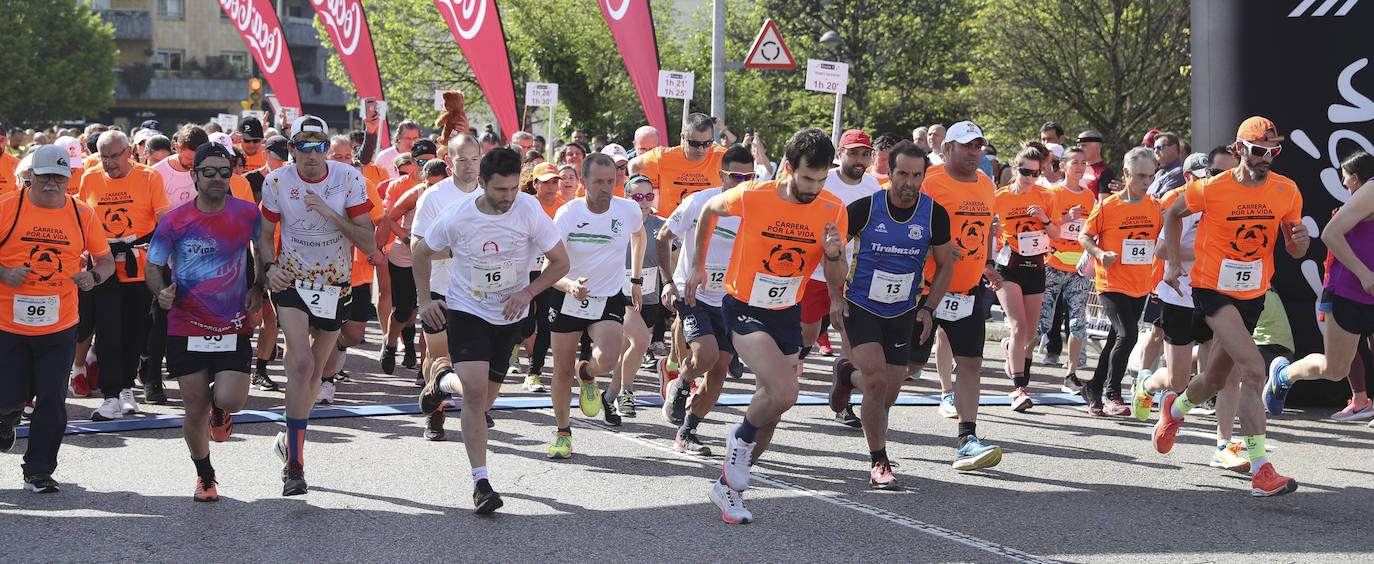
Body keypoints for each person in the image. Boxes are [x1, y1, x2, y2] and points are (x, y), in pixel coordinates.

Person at [685, 127, 848, 524]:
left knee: (773, 410)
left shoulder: (833, 208)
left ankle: (729, 487)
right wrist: (696, 265)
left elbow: (836, 269)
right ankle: (739, 438)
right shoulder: (754, 194)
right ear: (788, 168)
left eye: (822, 179)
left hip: (786, 311)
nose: (814, 187)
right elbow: (709, 211)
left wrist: (833, 254)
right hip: (743, 306)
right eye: (808, 178)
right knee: (785, 390)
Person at [1154, 116, 1309, 497]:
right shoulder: (1211, 189)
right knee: (1254, 371)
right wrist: (1173, 263)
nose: (1266, 158)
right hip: (1212, 290)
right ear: (1239, 149)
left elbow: (1294, 247)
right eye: (1259, 151)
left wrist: (1300, 242)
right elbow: (1172, 214)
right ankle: (1261, 469)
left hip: (1253, 292)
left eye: (1274, 151)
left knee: (1214, 379)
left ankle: (1173, 411)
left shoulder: (1287, 191)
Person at [415, 147, 570, 514]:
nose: (508, 197)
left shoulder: (528, 209)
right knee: (474, 392)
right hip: (468, 310)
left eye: (515, 188)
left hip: (509, 315)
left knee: (484, 399)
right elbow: (421, 252)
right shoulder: (457, 216)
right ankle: (480, 483)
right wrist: (424, 301)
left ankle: (440, 382)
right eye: (501, 190)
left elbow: (561, 262)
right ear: (481, 183)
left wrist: (528, 291)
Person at [259, 115, 376, 496]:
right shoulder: (277, 181)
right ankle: (295, 465)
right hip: (291, 280)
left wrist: (330, 213)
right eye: (304, 146)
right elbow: (263, 236)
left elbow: (369, 243)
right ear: (290, 149)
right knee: (303, 362)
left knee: (315, 374)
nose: (313, 154)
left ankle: (288, 441)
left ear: (328, 147)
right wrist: (269, 268)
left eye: (319, 145)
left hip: (334, 284)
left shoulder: (349, 179)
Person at [828, 140, 953, 488]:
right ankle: (878, 461)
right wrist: (836, 298)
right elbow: (833, 253)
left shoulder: (934, 214)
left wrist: (929, 308)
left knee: (889, 392)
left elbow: (945, 266)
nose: (909, 183)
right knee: (878, 380)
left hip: (904, 310)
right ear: (888, 172)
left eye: (916, 175)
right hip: (863, 305)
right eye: (902, 174)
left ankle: (845, 377)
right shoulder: (865, 208)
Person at [145, 143, 263, 501]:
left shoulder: (247, 214)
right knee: (193, 409)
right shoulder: (174, 220)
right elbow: (153, 266)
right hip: (186, 324)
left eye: (224, 172)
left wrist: (259, 285)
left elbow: (266, 252)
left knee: (232, 399)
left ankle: (220, 409)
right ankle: (205, 476)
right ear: (193, 175)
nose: (217, 178)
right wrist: (161, 291)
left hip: (232, 323)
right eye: (208, 171)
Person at [0, 145, 114, 493]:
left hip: (60, 325)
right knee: (8, 396)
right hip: (7, 325)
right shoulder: (8, 208)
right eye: (46, 175)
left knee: (52, 397)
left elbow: (106, 261)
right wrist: (4, 273)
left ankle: (39, 470)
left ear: (69, 178)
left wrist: (93, 278)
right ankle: (7, 419)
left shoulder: (82, 214)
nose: (52, 182)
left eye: (60, 176)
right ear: (30, 175)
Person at [905, 121, 1005, 471]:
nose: (974, 152)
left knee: (971, 363)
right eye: (966, 146)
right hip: (925, 291)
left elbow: (987, 230)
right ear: (947, 149)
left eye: (979, 146)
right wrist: (937, 247)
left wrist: (989, 263)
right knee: (909, 367)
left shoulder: (987, 184)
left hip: (968, 291)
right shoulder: (928, 181)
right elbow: (905, 226)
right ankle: (856, 383)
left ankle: (967, 439)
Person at [546, 153, 646, 455]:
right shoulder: (566, 214)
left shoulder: (627, 209)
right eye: (598, 182)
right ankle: (563, 432)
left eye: (611, 181)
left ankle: (587, 373)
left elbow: (638, 235)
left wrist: (636, 278)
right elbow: (548, 266)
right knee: (561, 371)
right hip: (567, 296)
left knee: (608, 360)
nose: (606, 187)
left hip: (607, 297)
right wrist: (569, 285)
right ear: (583, 181)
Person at [659, 145, 756, 454]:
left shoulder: (755, 209)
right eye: (734, 176)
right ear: (721, 175)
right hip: (693, 294)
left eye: (748, 176)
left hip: (730, 299)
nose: (740, 183)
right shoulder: (700, 202)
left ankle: (687, 431)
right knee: (707, 356)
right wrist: (668, 282)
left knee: (718, 372)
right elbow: (663, 236)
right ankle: (682, 382)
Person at [1265, 151, 1374, 423]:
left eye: (1345, 177)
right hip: (1350, 291)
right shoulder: (1372, 187)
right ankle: (1283, 375)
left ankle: (1362, 402)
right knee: (1335, 369)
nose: (1345, 183)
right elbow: (1329, 234)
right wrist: (1365, 274)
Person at [78, 131, 170, 420]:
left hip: (138, 265)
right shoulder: (89, 178)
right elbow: (81, 220)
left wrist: (161, 251)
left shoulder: (149, 177)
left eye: (115, 156)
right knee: (107, 332)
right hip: (102, 267)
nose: (109, 163)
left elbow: (164, 221)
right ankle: (109, 395)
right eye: (103, 157)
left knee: (134, 331)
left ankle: (126, 389)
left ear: (128, 152)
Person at [803, 130, 882, 426]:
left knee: (853, 341)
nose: (860, 160)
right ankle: (777, 389)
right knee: (806, 337)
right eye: (853, 153)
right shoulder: (824, 181)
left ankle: (843, 403)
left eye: (865, 154)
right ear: (840, 153)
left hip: (855, 276)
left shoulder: (874, 186)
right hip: (815, 272)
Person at [1078, 147, 1163, 416]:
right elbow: (1084, 236)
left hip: (1140, 284)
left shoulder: (1155, 207)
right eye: (1140, 176)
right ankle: (1113, 393)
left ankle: (1093, 387)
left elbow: (1164, 240)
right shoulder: (1107, 207)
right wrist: (1101, 254)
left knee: (1117, 339)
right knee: (1128, 335)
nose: (1146, 182)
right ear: (1126, 174)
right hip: (1110, 283)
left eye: (1150, 176)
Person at [410, 134, 484, 438]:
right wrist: (423, 297)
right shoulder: (434, 196)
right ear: (449, 161)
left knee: (475, 356)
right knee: (439, 354)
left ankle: (477, 405)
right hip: (441, 287)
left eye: (474, 159)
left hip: (479, 291)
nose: (469, 166)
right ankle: (436, 410)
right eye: (461, 159)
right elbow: (417, 246)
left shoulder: (493, 195)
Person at [993, 146, 1056, 411]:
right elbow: (989, 234)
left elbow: (1058, 235)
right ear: (1015, 169)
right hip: (1009, 267)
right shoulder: (1000, 197)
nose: (1030, 177)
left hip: (1036, 266)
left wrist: (1045, 219)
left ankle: (1010, 346)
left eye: (1036, 173)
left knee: (1029, 333)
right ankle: (1018, 389)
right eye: (1025, 172)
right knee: (1018, 326)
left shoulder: (1046, 195)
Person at [1035, 146, 1096, 393]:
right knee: (1043, 323)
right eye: (1075, 163)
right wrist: (1066, 218)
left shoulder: (1089, 196)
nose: (1080, 167)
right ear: (1063, 166)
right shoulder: (1053, 193)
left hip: (1078, 270)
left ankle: (1071, 374)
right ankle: (1017, 358)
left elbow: (1091, 230)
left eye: (1083, 163)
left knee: (1078, 322)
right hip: (1052, 265)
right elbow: (1042, 226)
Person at [380, 139, 439, 377]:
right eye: (421, 162)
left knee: (429, 311)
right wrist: (407, 240)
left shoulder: (447, 191)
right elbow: (390, 219)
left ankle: (425, 370)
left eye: (431, 161)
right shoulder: (416, 191)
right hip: (405, 256)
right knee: (405, 311)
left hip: (435, 259)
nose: (426, 166)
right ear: (414, 162)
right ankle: (390, 343)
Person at [519, 161, 565, 392]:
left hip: (550, 273)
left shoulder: (563, 208)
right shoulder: (525, 206)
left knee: (546, 324)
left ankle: (534, 373)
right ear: (535, 183)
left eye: (555, 181)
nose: (551, 187)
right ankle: (516, 350)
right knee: (524, 326)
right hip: (523, 273)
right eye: (546, 182)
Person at [628, 113, 726, 217]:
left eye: (707, 143)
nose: (701, 149)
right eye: (694, 143)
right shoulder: (663, 156)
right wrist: (636, 196)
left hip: (708, 228)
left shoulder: (722, 157)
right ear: (683, 138)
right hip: (669, 228)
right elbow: (633, 165)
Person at [1077, 131, 1118, 196]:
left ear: (1097, 147)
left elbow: (1103, 203)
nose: (1080, 149)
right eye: (1078, 146)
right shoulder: (1077, 169)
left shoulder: (1105, 172)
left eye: (1084, 146)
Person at [1148, 132, 1186, 199]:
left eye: (1159, 147)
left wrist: (1138, 197)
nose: (1156, 151)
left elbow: (1162, 199)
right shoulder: (1158, 173)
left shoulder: (1179, 173)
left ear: (1173, 148)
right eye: (1154, 148)